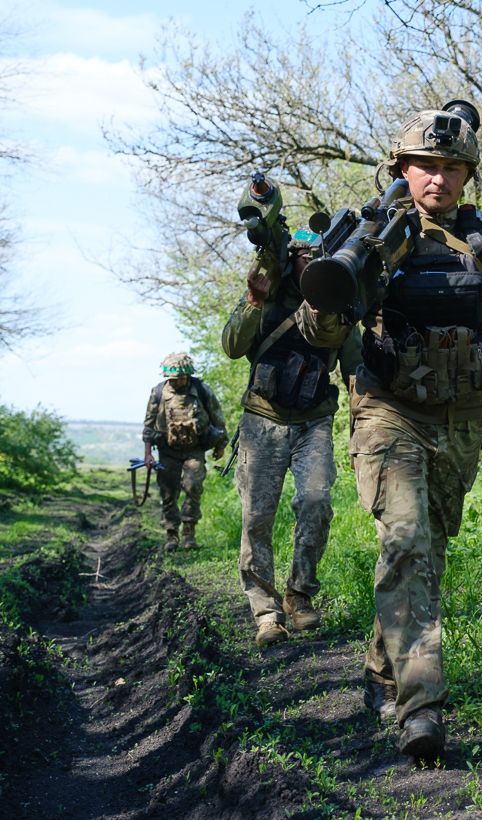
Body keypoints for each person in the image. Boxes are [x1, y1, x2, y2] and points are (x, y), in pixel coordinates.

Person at [296, 101, 482, 759]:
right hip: (386, 409)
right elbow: (321, 333)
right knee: (404, 540)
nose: (439, 178)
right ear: (401, 167)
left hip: (459, 416)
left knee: (428, 550)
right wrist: (332, 296)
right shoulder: (370, 234)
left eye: (452, 166)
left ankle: (382, 669)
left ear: (467, 173)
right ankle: (421, 709)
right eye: (426, 164)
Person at [222, 237, 362, 648]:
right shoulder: (266, 299)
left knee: (317, 502)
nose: (313, 264)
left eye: (321, 257)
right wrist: (252, 298)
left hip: (314, 422)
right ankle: (266, 613)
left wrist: (362, 429)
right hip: (262, 422)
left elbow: (355, 372)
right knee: (256, 518)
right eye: (305, 257)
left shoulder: (339, 307)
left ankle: (299, 594)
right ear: (290, 261)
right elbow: (231, 346)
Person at [141, 353, 229, 550]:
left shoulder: (202, 390)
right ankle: (171, 534)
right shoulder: (158, 393)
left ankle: (189, 533)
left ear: (188, 375)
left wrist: (220, 445)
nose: (176, 382)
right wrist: (148, 453)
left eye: (180, 378)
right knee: (168, 491)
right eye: (172, 379)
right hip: (167, 451)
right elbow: (148, 425)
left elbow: (217, 418)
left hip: (194, 450)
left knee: (193, 487)